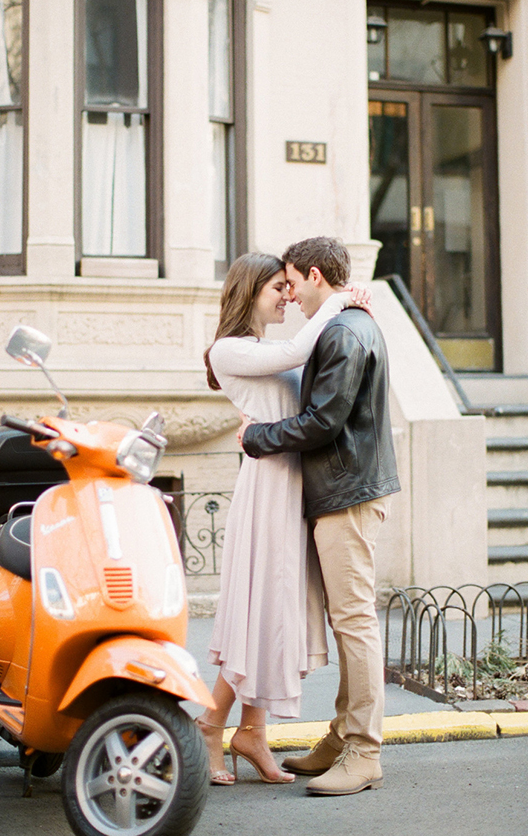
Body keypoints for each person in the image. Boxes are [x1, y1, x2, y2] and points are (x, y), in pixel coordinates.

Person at [199, 252, 371, 786]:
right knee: (260, 606)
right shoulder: (229, 349)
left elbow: (311, 371)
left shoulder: (266, 349)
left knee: (276, 609)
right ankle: (209, 724)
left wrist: (347, 313)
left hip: (297, 481)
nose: (288, 296)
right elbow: (301, 349)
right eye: (278, 287)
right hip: (270, 484)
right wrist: (340, 298)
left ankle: (253, 731)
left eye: (290, 286)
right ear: (250, 290)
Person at [238, 236, 400, 797]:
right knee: (348, 620)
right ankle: (340, 739)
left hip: (348, 492)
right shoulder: (346, 325)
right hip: (346, 488)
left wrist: (255, 437)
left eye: (292, 283)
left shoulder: (343, 332)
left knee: (355, 621)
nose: (290, 296)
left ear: (313, 275)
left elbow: (321, 422)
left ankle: (364, 752)